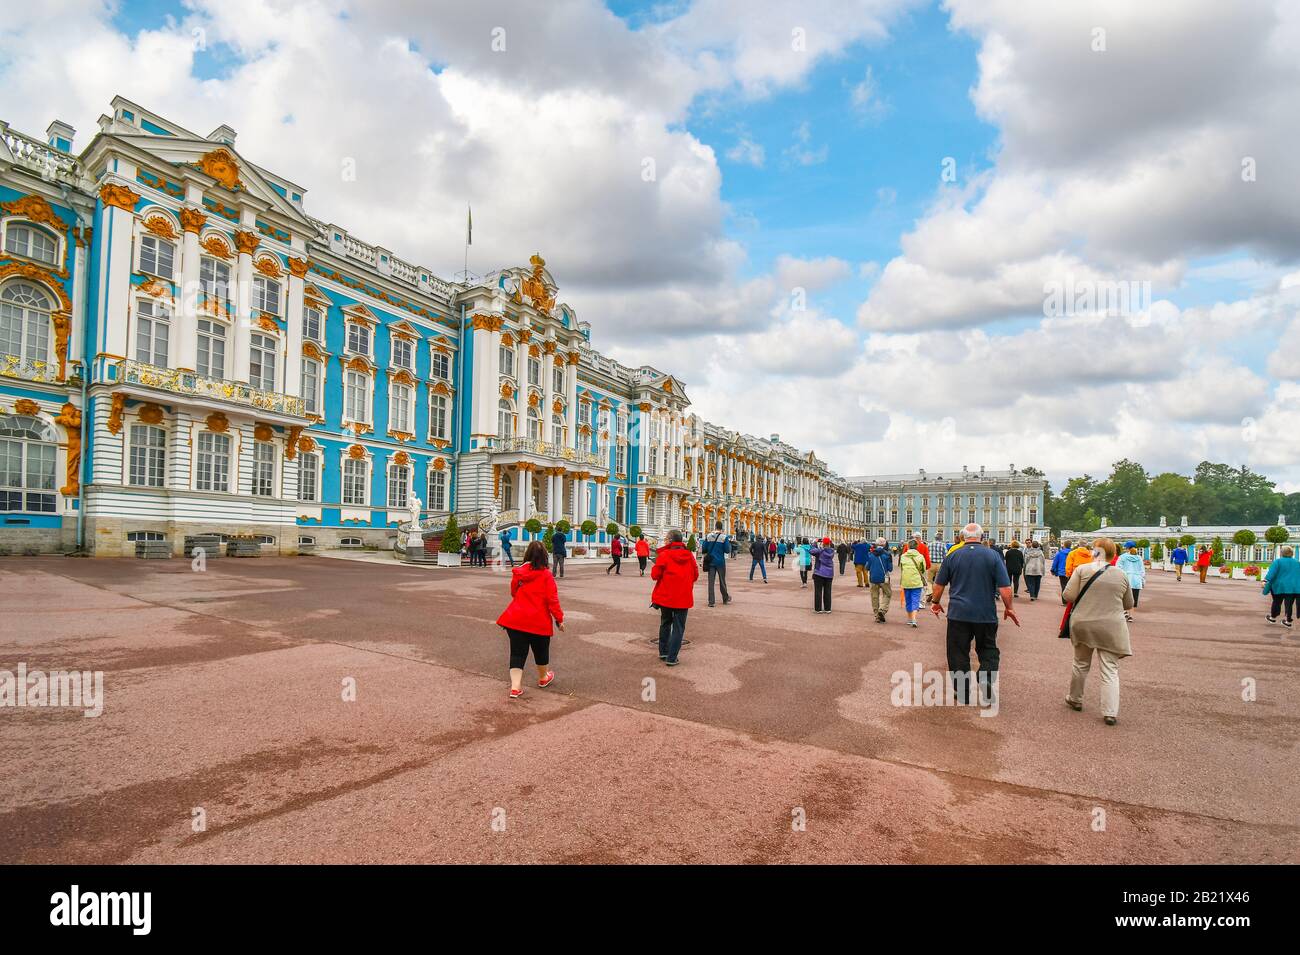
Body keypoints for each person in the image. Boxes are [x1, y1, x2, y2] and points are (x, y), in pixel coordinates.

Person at [931, 524, 1018, 706]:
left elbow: (939, 585)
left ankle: (962, 692)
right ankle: (986, 679)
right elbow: (1005, 587)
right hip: (985, 613)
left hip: (958, 613)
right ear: (981, 536)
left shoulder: (953, 555)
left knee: (957, 652)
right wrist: (1009, 607)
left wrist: (936, 602)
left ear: (963, 536)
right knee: (988, 649)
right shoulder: (993, 555)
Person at [1063, 538, 1133, 726]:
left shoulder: (1082, 570)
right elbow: (1129, 604)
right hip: (1111, 626)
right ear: (1113, 555)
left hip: (1084, 623)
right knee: (1110, 669)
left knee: (1080, 663)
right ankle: (1110, 712)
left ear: (1095, 552)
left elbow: (1068, 596)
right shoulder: (1121, 574)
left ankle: (1075, 698)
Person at [495, 540, 564, 700]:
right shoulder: (546, 575)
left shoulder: (519, 572)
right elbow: (552, 600)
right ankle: (543, 677)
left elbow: (513, 592)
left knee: (517, 654)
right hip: (538, 620)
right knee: (541, 652)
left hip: (516, 619)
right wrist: (559, 619)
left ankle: (515, 687)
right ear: (545, 557)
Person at [651, 529, 699, 666]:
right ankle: (672, 658)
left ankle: (663, 651)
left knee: (665, 623)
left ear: (671, 541)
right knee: (678, 627)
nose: (665, 540)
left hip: (666, 596)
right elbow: (695, 575)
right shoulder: (689, 555)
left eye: (666, 538)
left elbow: (655, 576)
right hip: (683, 597)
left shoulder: (664, 555)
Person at [1263, 545, 1299, 629]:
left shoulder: (1278, 561)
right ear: (1292, 553)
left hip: (1279, 586)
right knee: (1289, 604)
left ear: (1282, 553)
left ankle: (1272, 618)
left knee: (1277, 601)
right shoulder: (1297, 562)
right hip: (1292, 587)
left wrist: (1265, 580)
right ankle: (1288, 621)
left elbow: (1271, 573)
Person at [701, 521, 731, 607]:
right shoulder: (724, 537)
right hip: (720, 562)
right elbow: (727, 550)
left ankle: (711, 601)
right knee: (722, 581)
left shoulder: (709, 536)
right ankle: (725, 598)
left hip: (710, 562)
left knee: (711, 582)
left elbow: (704, 548)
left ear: (715, 527)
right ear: (721, 528)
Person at [899, 540, 927, 628]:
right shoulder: (920, 556)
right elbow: (923, 569)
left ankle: (909, 619)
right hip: (916, 581)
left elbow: (901, 568)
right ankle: (914, 619)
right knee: (915, 600)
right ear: (916, 547)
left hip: (906, 581)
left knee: (908, 600)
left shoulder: (903, 556)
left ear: (908, 547)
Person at [865, 537, 893, 624]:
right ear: (884, 544)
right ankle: (882, 609)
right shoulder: (887, 554)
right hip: (884, 578)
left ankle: (877, 615)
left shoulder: (871, 554)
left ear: (876, 544)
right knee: (887, 594)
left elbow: (867, 567)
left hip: (873, 578)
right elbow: (890, 568)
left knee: (874, 596)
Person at [1116, 541, 1146, 620]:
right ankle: (1131, 616)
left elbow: (1118, 568)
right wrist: (1142, 580)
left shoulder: (1122, 557)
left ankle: (1124, 611)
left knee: (1124, 597)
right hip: (1136, 580)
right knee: (1134, 598)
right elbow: (1142, 570)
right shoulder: (1139, 558)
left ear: (1126, 548)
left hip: (1126, 578)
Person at [810, 537, 836, 612]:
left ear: (823, 543)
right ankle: (827, 608)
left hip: (819, 573)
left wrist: (815, 542)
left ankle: (818, 609)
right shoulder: (832, 551)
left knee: (818, 591)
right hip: (829, 573)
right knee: (828, 591)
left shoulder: (820, 551)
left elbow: (811, 551)